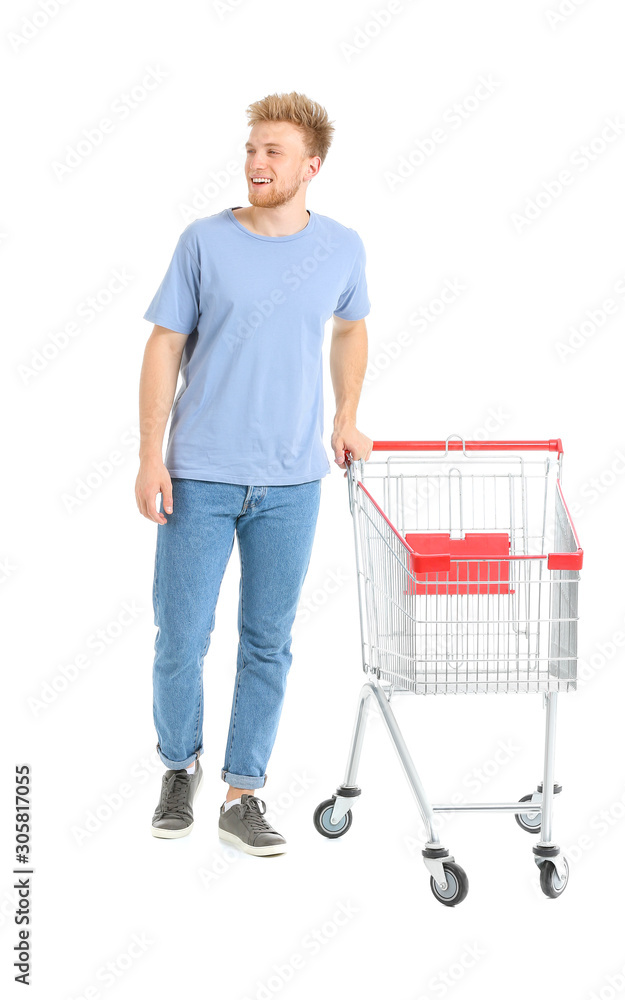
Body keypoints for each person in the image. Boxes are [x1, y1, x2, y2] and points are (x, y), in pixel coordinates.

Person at [134, 92, 372, 855]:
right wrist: (148, 455)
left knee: (268, 642)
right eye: (250, 149)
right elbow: (165, 346)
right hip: (199, 474)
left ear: (312, 166)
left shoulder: (341, 246)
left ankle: (244, 792)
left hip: (293, 483)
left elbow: (351, 327)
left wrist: (346, 415)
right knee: (181, 636)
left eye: (273, 152)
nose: (256, 163)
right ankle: (180, 765)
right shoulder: (204, 241)